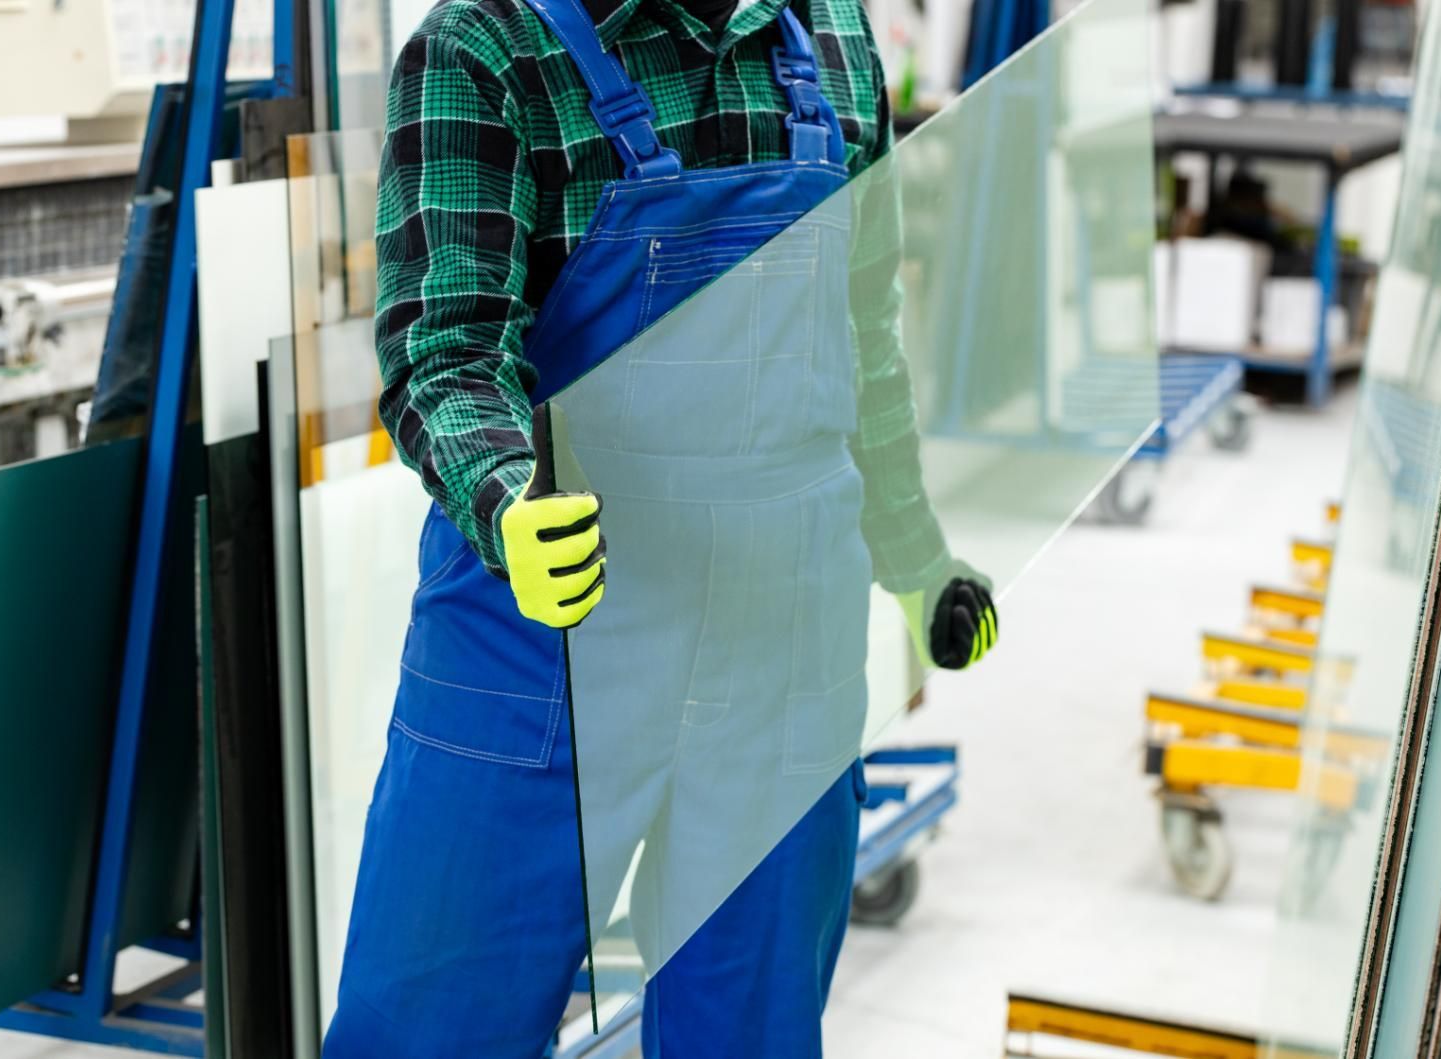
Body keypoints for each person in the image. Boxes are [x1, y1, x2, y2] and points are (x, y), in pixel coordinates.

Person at [322, 0, 999, 1054]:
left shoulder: (832, 37)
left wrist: (917, 561)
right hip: (550, 636)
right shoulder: (488, 47)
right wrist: (508, 502)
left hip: (781, 648)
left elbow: (861, 338)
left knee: (752, 1031)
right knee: (436, 1026)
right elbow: (445, 349)